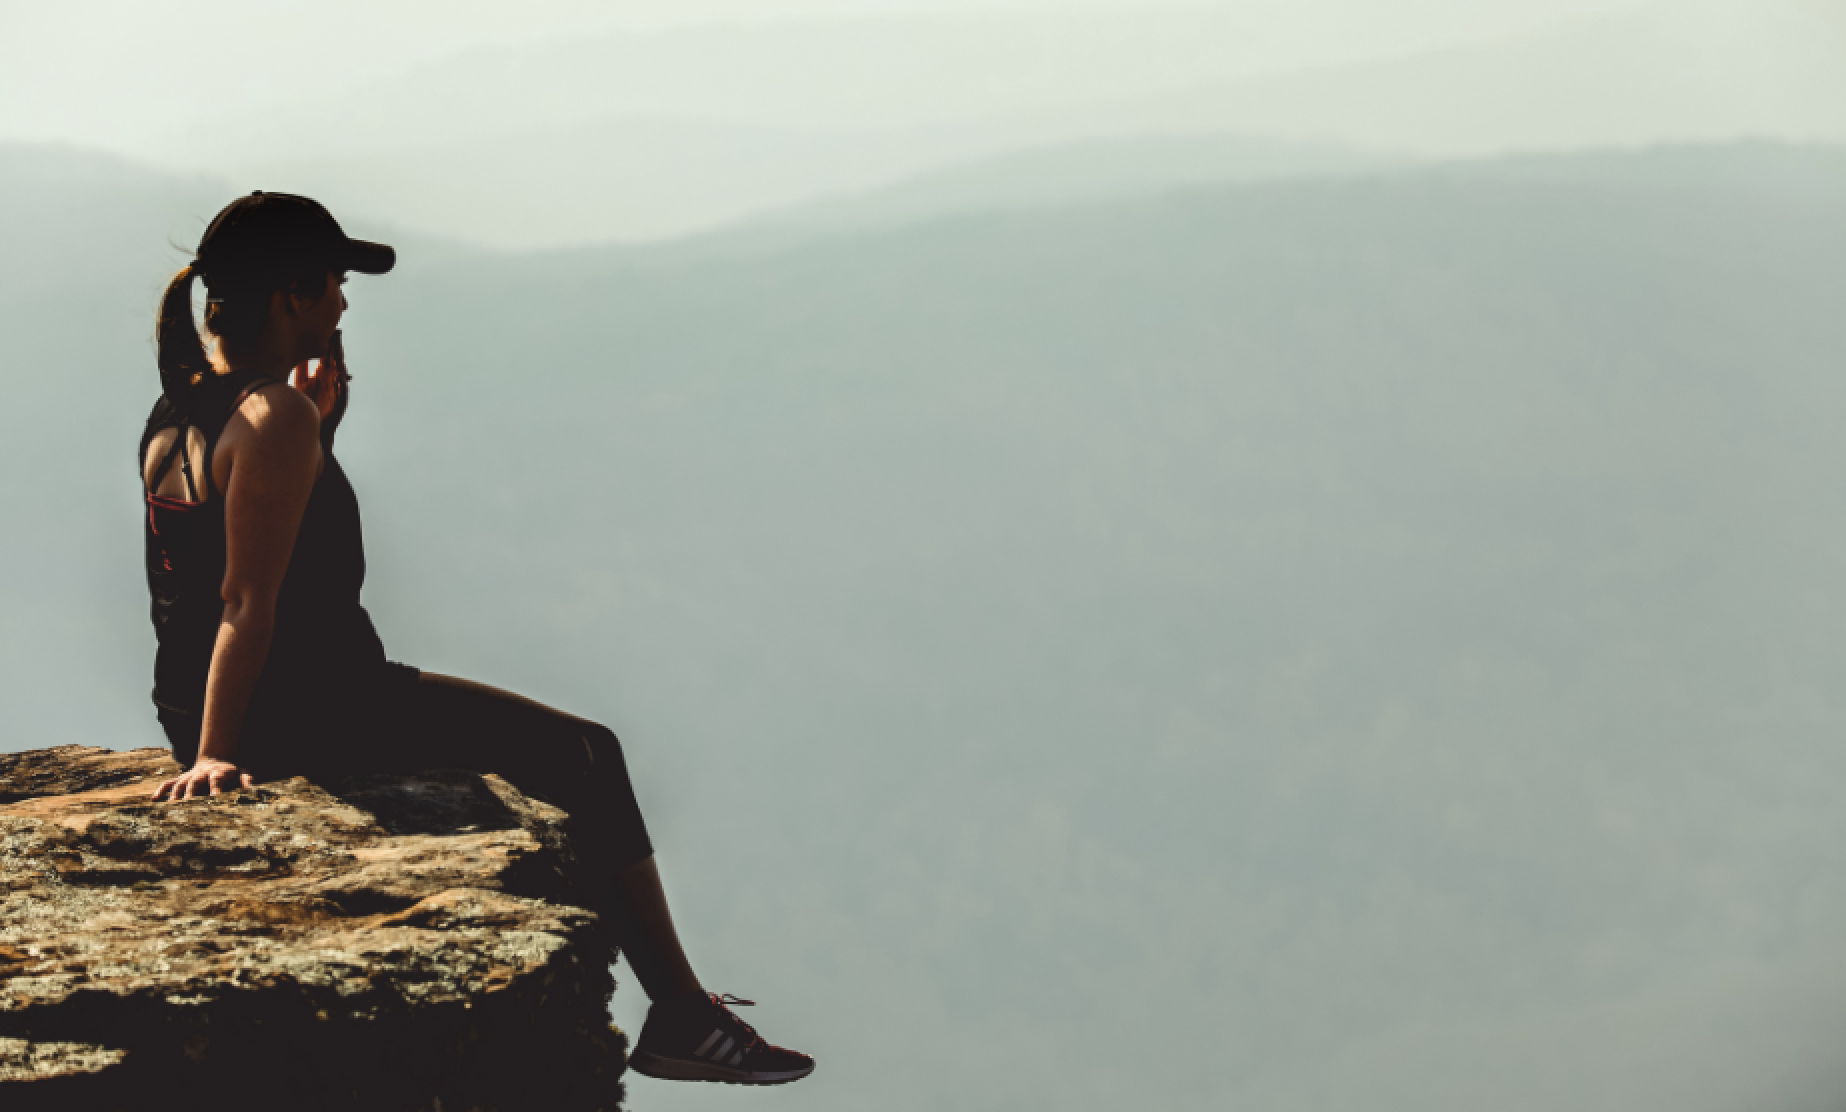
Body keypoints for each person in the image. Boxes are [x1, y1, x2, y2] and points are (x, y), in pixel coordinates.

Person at [139, 191, 813, 1087]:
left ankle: (682, 1013)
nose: (344, 305)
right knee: (586, 753)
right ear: (291, 298)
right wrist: (221, 755)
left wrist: (321, 437)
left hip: (211, 701)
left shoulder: (183, 410)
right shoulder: (272, 420)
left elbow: (200, 577)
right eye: (334, 284)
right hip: (314, 707)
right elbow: (242, 600)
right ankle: (683, 1018)